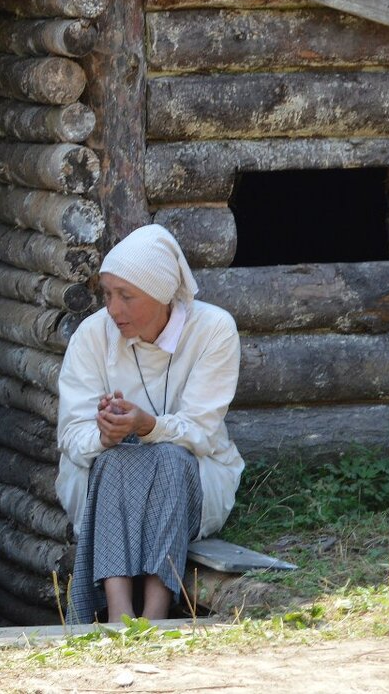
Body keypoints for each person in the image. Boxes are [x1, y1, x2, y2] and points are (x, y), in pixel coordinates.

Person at [55, 224, 244, 624]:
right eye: (108, 294)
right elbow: (72, 435)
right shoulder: (92, 336)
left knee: (170, 459)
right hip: (106, 487)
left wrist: (148, 426)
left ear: (161, 296)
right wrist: (104, 434)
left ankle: (156, 613)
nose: (113, 308)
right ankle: (119, 611)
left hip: (193, 479)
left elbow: (203, 431)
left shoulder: (213, 330)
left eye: (127, 296)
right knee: (115, 460)